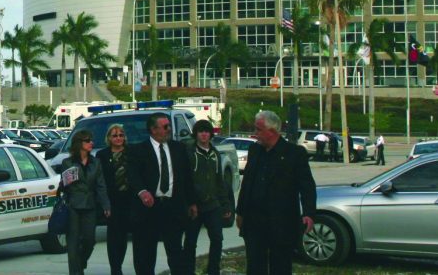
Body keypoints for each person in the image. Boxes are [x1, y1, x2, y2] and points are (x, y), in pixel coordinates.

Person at [236, 110, 316, 275]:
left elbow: (307, 186)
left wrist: (309, 213)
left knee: (280, 266)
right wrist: (240, 212)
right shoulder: (255, 150)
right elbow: (247, 183)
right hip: (254, 221)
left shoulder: (294, 154)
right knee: (255, 266)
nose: (255, 134)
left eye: (259, 130)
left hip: (281, 222)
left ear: (271, 131)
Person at [128, 112, 197, 275]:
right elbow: (133, 175)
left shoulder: (178, 148)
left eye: (169, 126)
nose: (169, 129)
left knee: (175, 251)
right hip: (149, 209)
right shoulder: (138, 150)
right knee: (145, 253)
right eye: (165, 127)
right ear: (153, 129)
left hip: (173, 207)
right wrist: (142, 192)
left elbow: (187, 177)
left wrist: (192, 202)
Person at [183, 120, 232, 275]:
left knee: (217, 239)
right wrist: (190, 202)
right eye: (201, 131)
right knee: (190, 242)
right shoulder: (190, 153)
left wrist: (225, 204)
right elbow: (186, 180)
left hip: (213, 205)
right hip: (194, 206)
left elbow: (219, 181)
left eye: (206, 131)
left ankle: (213, 270)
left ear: (211, 134)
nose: (204, 134)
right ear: (196, 134)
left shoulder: (215, 153)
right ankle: (188, 271)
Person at [59, 129, 111, 275]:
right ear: (79, 143)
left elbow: (101, 185)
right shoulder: (67, 162)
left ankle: (81, 261)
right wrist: (65, 182)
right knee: (73, 242)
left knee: (89, 240)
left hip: (90, 205)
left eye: (91, 140)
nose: (91, 143)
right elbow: (63, 186)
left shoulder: (96, 162)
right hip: (73, 205)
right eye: (87, 141)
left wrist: (106, 205)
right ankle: (75, 272)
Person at [97, 123, 136, 275]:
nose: (118, 138)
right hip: (112, 201)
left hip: (129, 200)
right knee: (114, 236)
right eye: (115, 135)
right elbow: (100, 181)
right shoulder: (102, 155)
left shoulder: (131, 153)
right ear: (109, 138)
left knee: (124, 235)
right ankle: (115, 268)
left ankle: (119, 265)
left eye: (121, 135)